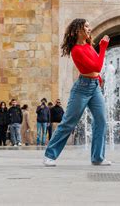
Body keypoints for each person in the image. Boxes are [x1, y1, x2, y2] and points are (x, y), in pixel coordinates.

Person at [43, 18, 110, 166]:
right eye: (86, 26)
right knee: (68, 123)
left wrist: (97, 79)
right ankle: (50, 155)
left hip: (94, 87)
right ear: (78, 30)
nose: (89, 28)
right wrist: (103, 47)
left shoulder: (88, 46)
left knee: (101, 121)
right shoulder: (76, 50)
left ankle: (97, 157)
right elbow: (97, 67)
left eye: (89, 26)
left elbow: (95, 71)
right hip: (82, 89)